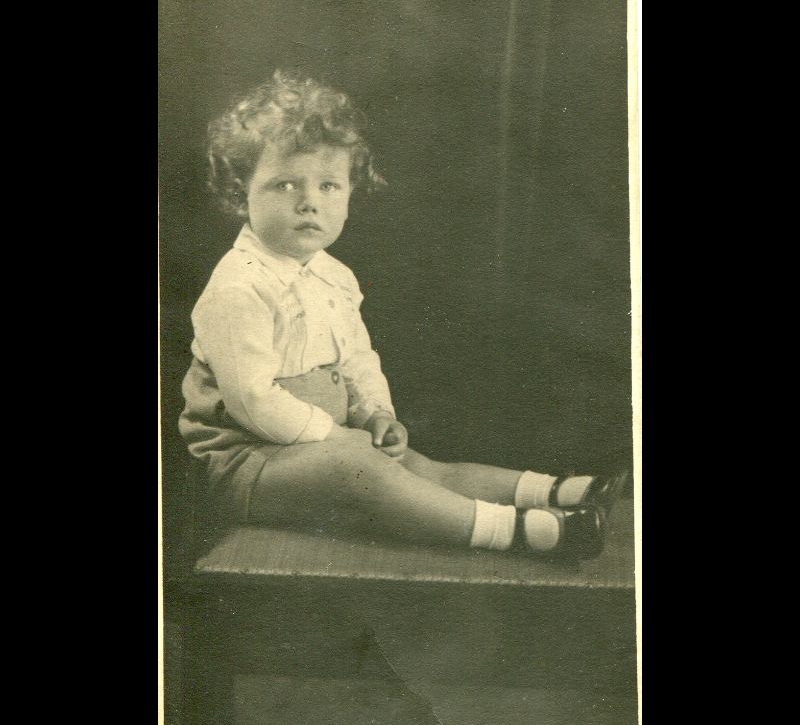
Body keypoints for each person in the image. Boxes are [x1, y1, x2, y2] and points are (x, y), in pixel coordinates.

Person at [178, 70, 627, 560]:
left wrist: (376, 414)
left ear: (349, 195)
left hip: (326, 445)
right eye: (285, 185)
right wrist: (338, 438)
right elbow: (253, 401)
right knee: (362, 470)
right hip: (248, 467)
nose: (309, 203)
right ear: (239, 191)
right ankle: (517, 531)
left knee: (419, 468)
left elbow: (357, 361)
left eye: (329, 186)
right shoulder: (238, 287)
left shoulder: (334, 276)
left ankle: (561, 493)